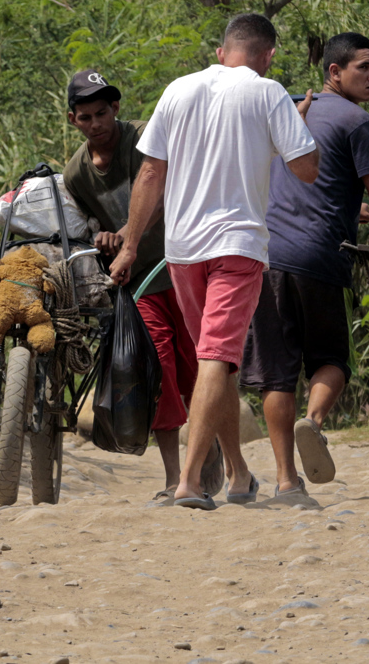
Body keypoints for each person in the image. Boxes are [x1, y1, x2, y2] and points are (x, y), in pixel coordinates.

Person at [109, 13, 321, 510]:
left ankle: (239, 473)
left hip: (181, 250)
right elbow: (306, 170)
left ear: (222, 50)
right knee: (216, 359)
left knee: (216, 363)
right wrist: (297, 123)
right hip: (237, 246)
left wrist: (131, 244)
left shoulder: (178, 89)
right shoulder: (268, 92)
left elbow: (149, 174)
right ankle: (187, 481)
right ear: (267, 56)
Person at [240, 31, 369, 495]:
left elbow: (304, 180)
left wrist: (347, 206)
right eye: (364, 67)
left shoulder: (289, 108)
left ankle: (285, 481)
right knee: (332, 360)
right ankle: (314, 421)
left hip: (265, 256)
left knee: (277, 374)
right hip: (317, 256)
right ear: (334, 72)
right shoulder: (357, 120)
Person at [61, 69, 224, 502]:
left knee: (199, 368)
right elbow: (87, 224)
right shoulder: (76, 173)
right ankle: (175, 477)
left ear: (115, 108)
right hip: (138, 285)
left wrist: (127, 234)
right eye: (86, 116)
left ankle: (213, 451)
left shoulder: (144, 139)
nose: (96, 123)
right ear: (73, 120)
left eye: (102, 112)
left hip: (183, 265)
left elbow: (165, 191)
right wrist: (105, 237)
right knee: (160, 371)